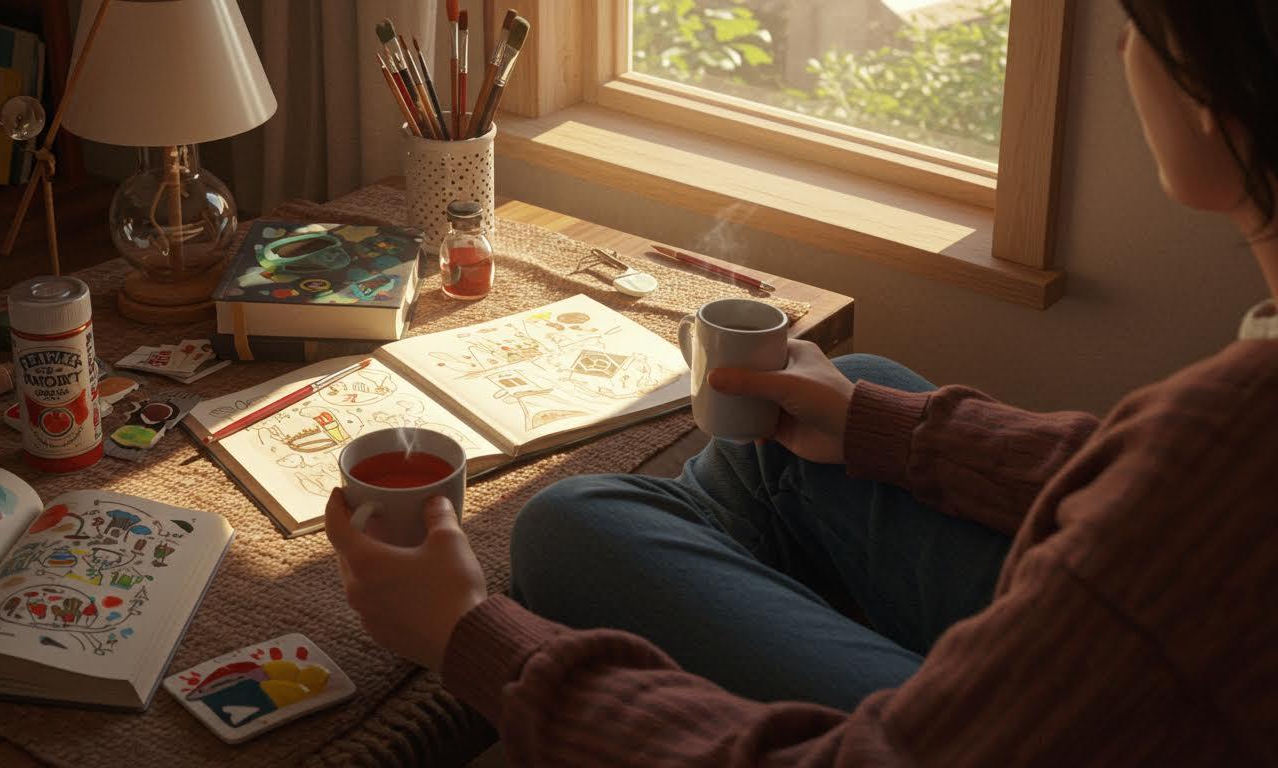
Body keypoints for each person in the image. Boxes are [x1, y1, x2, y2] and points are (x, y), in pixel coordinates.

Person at [325, 1, 1278, 764]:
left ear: (1218, 97)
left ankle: (685, 619)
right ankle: (727, 585)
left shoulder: (1226, 429)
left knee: (567, 529)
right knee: (850, 387)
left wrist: (468, 638)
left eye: (1147, 26)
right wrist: (883, 426)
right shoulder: (1222, 426)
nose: (1121, 45)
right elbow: (1130, 485)